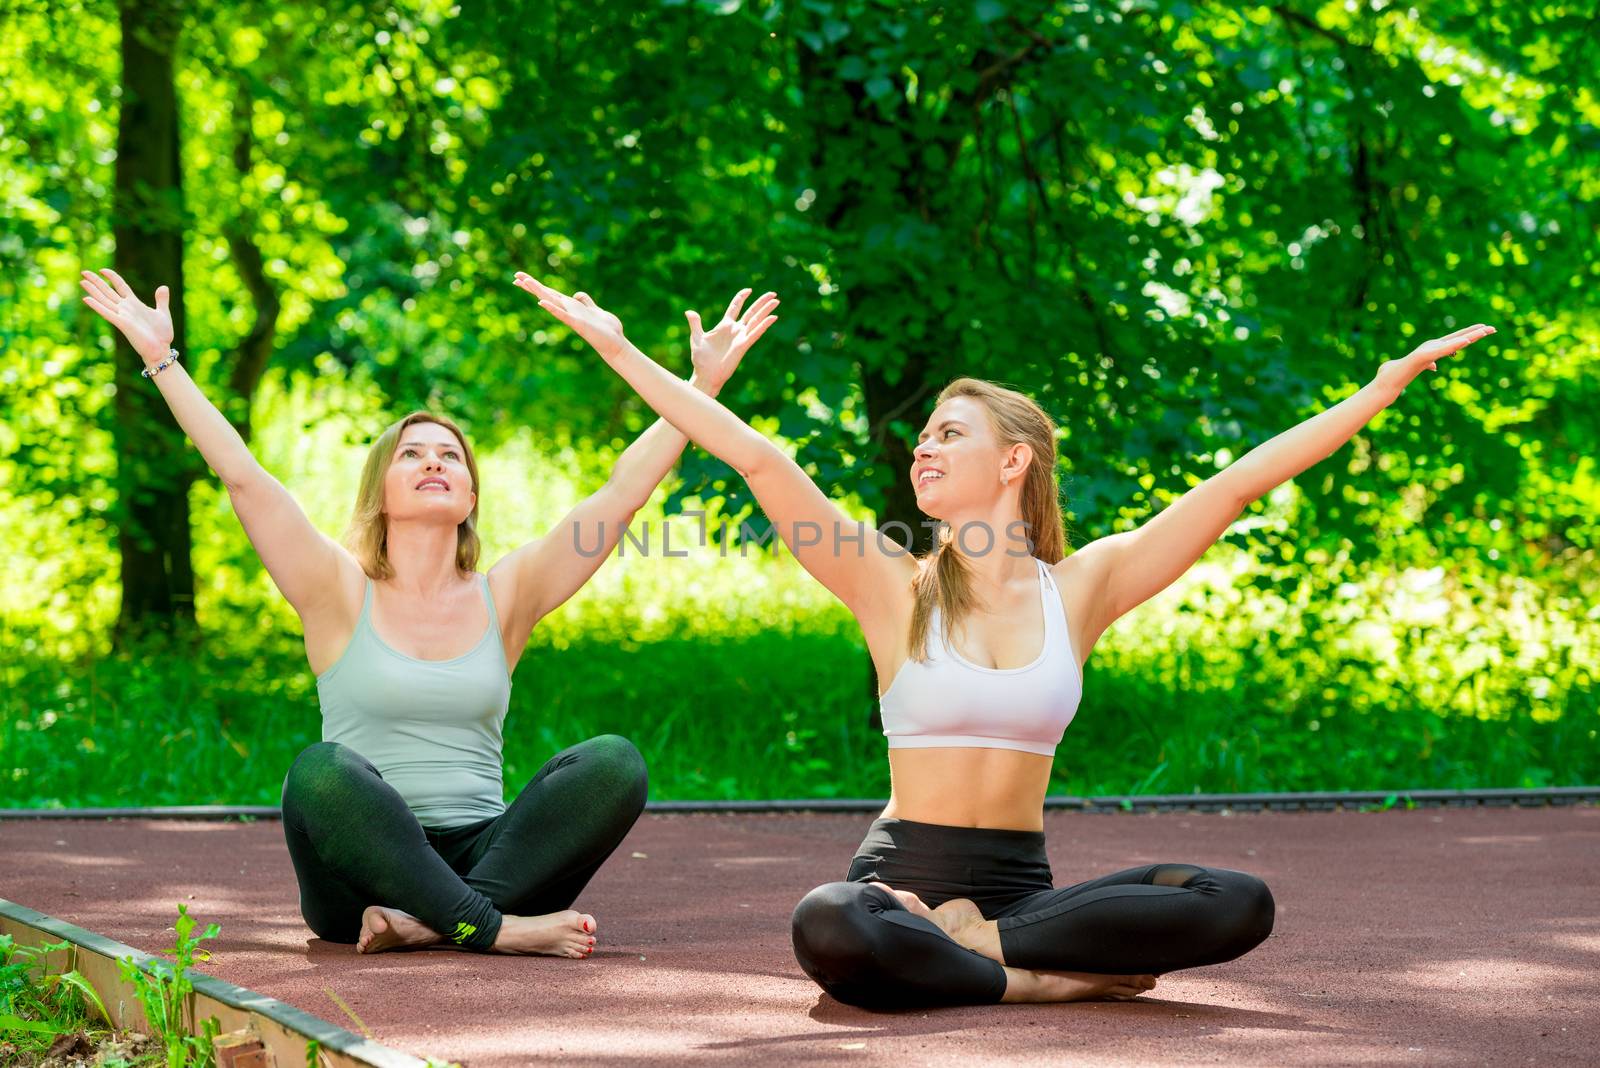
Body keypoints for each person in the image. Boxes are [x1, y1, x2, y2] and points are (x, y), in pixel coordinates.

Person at [518, 269, 1494, 1005]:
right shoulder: (886, 582)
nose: (923, 448)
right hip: (896, 888)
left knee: (1234, 899)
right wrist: (618, 350)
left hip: (1020, 893)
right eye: (924, 437)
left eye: (950, 433)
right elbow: (757, 459)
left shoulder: (1085, 586)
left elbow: (1236, 485)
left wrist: (1376, 392)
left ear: (1015, 459)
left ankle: (982, 955)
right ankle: (1042, 982)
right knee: (829, 924)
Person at [79, 267, 778, 957]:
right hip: (358, 876)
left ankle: (431, 922)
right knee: (319, 773)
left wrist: (701, 387)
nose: (433, 461)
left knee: (614, 764)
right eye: (411, 453)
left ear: (470, 496)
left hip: (486, 855)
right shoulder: (336, 589)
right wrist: (159, 359)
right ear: (379, 491)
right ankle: (492, 928)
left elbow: (621, 495)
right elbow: (243, 476)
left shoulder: (508, 594)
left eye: (450, 454)